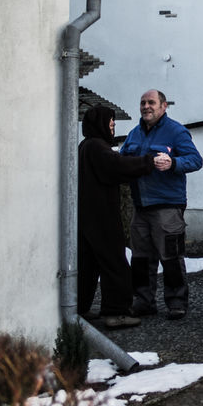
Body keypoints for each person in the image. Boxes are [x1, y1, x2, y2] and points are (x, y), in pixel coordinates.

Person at [120, 89, 203, 321]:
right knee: (140, 258)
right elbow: (123, 158)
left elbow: (196, 160)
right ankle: (143, 301)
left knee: (171, 256)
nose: (146, 106)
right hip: (140, 206)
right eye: (143, 102)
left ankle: (176, 302)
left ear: (164, 106)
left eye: (151, 103)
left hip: (167, 206)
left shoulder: (176, 131)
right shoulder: (134, 134)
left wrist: (173, 162)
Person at [77, 106, 159, 329]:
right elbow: (117, 166)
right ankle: (116, 313)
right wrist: (148, 162)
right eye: (110, 122)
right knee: (115, 263)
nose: (113, 126)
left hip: (88, 216)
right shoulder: (96, 146)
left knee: (89, 264)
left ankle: (79, 307)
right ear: (100, 124)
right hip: (101, 215)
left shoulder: (86, 146)